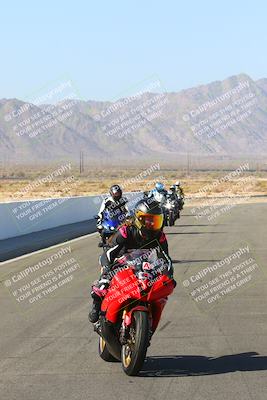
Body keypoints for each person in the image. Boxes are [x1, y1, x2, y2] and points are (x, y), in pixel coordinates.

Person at [89, 198, 173, 323]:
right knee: (103, 286)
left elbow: (165, 258)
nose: (152, 224)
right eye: (149, 220)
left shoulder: (160, 236)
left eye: (156, 221)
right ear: (139, 219)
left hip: (146, 266)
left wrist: (168, 275)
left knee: (159, 288)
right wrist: (106, 273)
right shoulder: (126, 231)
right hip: (122, 263)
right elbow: (108, 254)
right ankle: (97, 303)